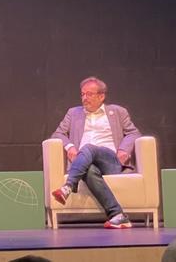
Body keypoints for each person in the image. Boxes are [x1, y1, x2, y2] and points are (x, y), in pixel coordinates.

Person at [49, 76, 141, 229]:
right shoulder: (73, 113)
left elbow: (133, 133)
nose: (84, 98)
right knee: (89, 170)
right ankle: (118, 215)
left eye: (89, 94)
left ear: (101, 96)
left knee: (88, 148)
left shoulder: (117, 112)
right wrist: (70, 147)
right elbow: (58, 133)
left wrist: (124, 149)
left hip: (111, 161)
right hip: (84, 162)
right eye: (82, 94)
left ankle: (69, 186)